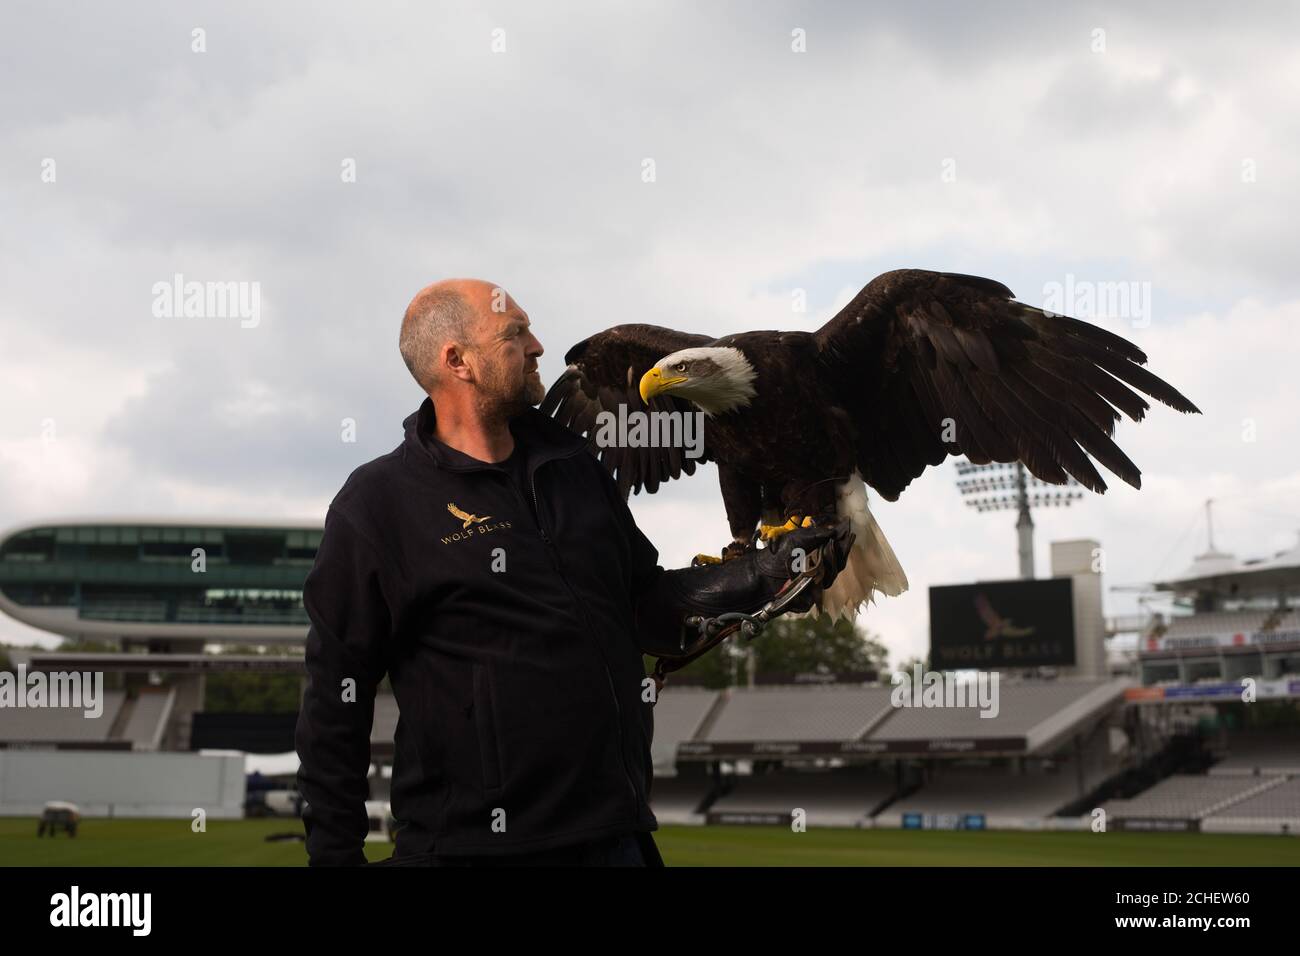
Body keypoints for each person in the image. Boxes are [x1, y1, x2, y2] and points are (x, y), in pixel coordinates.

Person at [294, 279, 851, 866]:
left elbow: (644, 606)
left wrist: (760, 579)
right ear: (456, 361)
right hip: (474, 850)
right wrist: (335, 858)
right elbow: (335, 701)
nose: (537, 346)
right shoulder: (379, 505)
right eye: (514, 333)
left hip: (618, 836)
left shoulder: (574, 468)